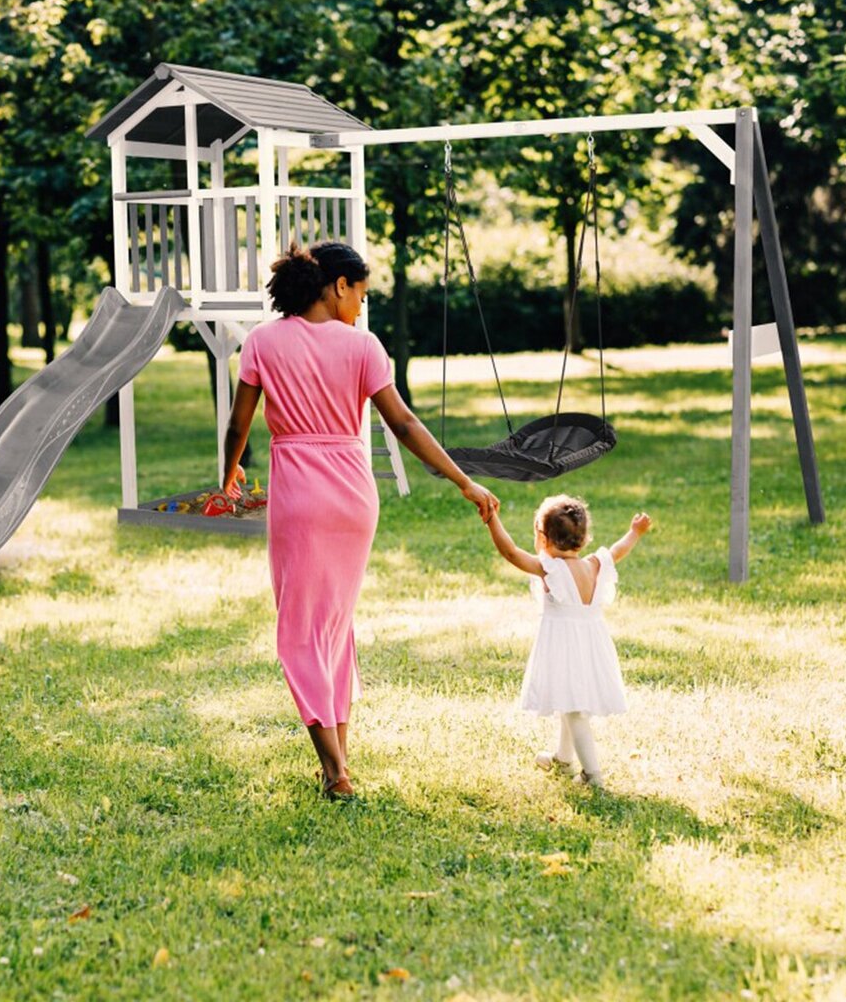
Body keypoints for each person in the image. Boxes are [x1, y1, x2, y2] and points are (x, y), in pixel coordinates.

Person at [223, 241, 500, 799]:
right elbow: (403, 425)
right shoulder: (363, 347)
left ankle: (334, 771)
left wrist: (228, 475)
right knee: (333, 627)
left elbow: (239, 424)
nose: (362, 307)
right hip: (353, 495)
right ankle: (339, 761)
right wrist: (463, 480)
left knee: (301, 632)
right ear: (338, 285)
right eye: (362, 294)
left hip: (299, 495)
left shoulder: (262, 341)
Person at [485, 494, 652, 788]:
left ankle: (592, 775)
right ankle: (563, 758)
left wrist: (491, 519)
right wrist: (635, 532)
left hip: (564, 647)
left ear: (543, 537)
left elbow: (510, 552)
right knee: (568, 700)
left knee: (574, 710)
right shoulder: (595, 564)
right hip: (591, 645)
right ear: (584, 537)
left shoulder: (550, 569)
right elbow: (618, 550)